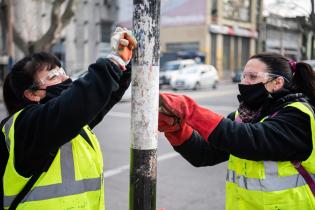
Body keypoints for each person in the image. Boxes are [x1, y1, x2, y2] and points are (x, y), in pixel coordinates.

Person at [0, 27, 137, 210]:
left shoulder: (70, 123)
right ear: (32, 94)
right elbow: (79, 101)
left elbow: (102, 97)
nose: (64, 77)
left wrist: (127, 63)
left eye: (61, 70)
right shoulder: (28, 126)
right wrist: (113, 61)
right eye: (53, 76)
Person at [158, 52, 315, 209]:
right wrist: (176, 129)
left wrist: (191, 111)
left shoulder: (298, 115)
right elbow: (204, 154)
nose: (245, 83)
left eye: (252, 77)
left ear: (277, 82)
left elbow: (251, 140)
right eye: (243, 76)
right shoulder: (243, 116)